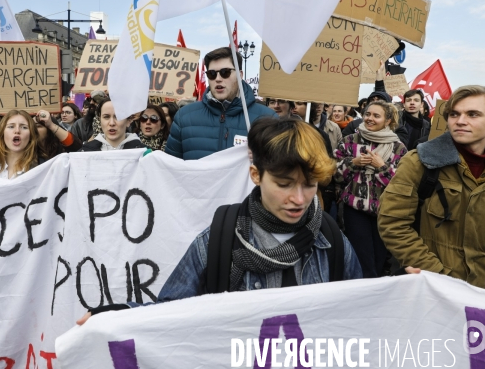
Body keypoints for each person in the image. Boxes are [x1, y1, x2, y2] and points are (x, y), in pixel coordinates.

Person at [76, 117, 365, 324]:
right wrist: (119, 315)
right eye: (285, 184)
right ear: (256, 175)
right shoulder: (217, 241)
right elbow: (169, 314)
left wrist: (407, 294)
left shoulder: (333, 242)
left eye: (310, 184)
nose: (300, 199)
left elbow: (363, 316)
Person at [378, 85, 485, 289]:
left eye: (473, 114)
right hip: (436, 292)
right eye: (454, 114)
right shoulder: (419, 162)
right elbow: (393, 224)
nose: (461, 121)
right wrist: (437, 277)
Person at [334, 101, 407, 278]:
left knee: (379, 260)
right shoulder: (349, 141)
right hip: (355, 209)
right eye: (367, 114)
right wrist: (353, 163)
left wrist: (382, 167)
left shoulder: (398, 148)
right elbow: (334, 175)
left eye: (376, 116)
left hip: (384, 211)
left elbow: (401, 186)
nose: (370, 119)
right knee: (362, 261)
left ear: (387, 120)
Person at [165, 47, 277, 160]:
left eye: (225, 72)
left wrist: (263, 159)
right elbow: (169, 168)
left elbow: (282, 169)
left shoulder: (268, 119)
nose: (218, 79)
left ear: (240, 75)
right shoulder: (184, 117)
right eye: (212, 74)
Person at [79, 99, 146, 152]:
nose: (111, 123)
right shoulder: (85, 152)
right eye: (106, 117)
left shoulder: (145, 154)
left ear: (128, 121)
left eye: (117, 117)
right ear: (99, 120)